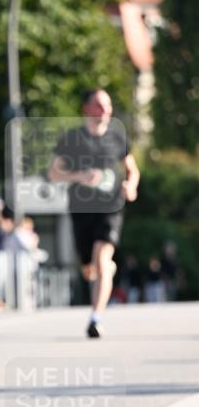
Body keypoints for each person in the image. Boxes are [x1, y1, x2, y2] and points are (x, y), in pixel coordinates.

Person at [48, 89, 139, 338]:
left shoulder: (117, 138)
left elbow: (132, 170)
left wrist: (130, 186)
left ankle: (95, 318)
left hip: (111, 208)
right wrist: (79, 176)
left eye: (108, 105)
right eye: (99, 105)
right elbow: (53, 173)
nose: (105, 110)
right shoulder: (72, 139)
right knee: (90, 268)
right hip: (81, 209)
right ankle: (104, 269)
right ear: (86, 109)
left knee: (101, 258)